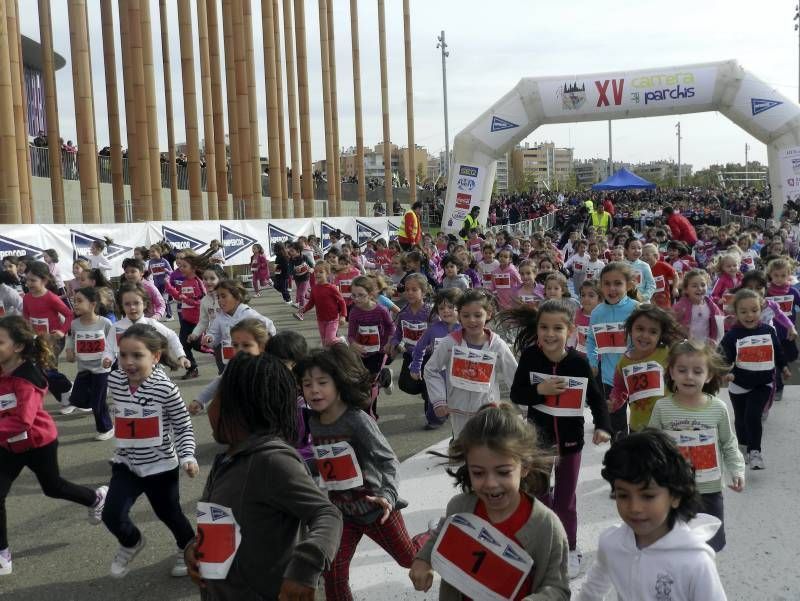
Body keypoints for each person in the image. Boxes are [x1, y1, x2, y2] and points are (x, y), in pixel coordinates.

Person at [184, 352, 342, 600]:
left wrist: (304, 570)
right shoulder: (226, 460)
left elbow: (327, 514)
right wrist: (194, 547)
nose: (211, 408)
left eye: (217, 399)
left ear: (242, 408)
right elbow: (217, 520)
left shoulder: (271, 461)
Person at [296, 344, 424, 601]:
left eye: (322, 382)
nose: (314, 390)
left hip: (377, 510)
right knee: (333, 577)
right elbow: (326, 461)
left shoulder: (357, 420)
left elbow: (388, 460)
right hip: (342, 514)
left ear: (339, 383)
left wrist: (388, 494)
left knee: (409, 558)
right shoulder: (314, 422)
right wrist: (296, 468)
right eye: (307, 384)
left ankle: (430, 539)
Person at [409, 404, 571, 600]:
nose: (490, 483)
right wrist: (423, 559)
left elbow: (558, 588)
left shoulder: (546, 527)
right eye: (478, 472)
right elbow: (442, 533)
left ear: (525, 467)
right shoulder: (460, 508)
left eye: (503, 472)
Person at [508, 300, 611, 578]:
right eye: (544, 327)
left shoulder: (578, 362)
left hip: (569, 443)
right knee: (539, 498)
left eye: (557, 328)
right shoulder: (530, 357)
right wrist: (539, 390)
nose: (550, 334)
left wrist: (603, 426)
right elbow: (517, 394)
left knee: (565, 501)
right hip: (538, 444)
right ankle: (544, 547)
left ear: (572, 331)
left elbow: (597, 399)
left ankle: (570, 548)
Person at [0, 316, 108, 577]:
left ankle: (96, 498)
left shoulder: (27, 379)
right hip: (7, 446)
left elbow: (22, 421)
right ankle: (3, 554)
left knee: (53, 488)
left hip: (38, 442)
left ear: (17, 347)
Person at [576, 430, 727, 601]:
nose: (635, 507)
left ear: (675, 496)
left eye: (648, 496)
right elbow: (591, 592)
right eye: (623, 495)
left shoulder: (695, 561)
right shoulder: (611, 543)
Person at [101, 324, 199, 578]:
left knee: (169, 513)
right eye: (123, 355)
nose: (128, 362)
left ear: (155, 357)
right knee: (111, 513)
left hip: (161, 466)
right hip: (126, 464)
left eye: (137, 355)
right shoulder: (115, 380)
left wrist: (187, 455)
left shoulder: (166, 389)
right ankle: (131, 541)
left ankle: (186, 549)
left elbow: (182, 425)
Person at [648, 340, 745, 552]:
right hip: (672, 490)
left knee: (709, 546)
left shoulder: (718, 408)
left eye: (697, 371)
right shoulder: (662, 407)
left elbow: (728, 442)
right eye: (682, 370)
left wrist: (737, 469)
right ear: (671, 372)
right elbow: (651, 444)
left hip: (709, 490)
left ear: (708, 375)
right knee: (672, 542)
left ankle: (702, 578)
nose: (689, 376)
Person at [424, 289, 518, 436]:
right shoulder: (449, 343)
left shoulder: (497, 345)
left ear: (489, 314)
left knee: (486, 449)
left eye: (477, 315)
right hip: (458, 411)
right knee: (464, 450)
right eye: (466, 315)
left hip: (488, 411)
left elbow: (514, 375)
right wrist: (439, 400)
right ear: (459, 316)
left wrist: (525, 406)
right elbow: (431, 370)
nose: (472, 320)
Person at [718, 289, 789, 470]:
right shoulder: (732, 335)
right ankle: (742, 446)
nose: (750, 315)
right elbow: (723, 357)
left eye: (754, 310)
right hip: (739, 384)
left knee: (753, 415)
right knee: (741, 420)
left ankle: (755, 451)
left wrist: (784, 367)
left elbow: (778, 351)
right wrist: (726, 372)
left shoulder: (768, 330)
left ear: (761, 309)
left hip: (763, 383)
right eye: (743, 311)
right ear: (736, 313)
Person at [584, 262, 640, 440]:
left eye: (618, 283)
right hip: (611, 379)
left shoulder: (637, 309)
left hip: (637, 376)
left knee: (640, 427)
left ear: (629, 285)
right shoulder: (597, 313)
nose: (612, 288)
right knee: (617, 429)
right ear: (600, 286)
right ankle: (621, 462)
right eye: (607, 283)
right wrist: (592, 362)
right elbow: (591, 340)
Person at [609, 305, 682, 433]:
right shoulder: (623, 362)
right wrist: (613, 402)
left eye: (653, 332)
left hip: (668, 424)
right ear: (630, 330)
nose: (645, 335)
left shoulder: (668, 353)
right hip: (638, 426)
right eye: (640, 329)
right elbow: (620, 389)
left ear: (660, 335)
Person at [64, 287, 117, 440]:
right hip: (83, 368)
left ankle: (106, 428)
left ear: (93, 304)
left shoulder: (105, 323)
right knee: (77, 400)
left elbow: (113, 343)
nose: (76, 304)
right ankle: (96, 398)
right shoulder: (75, 324)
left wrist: (110, 359)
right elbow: (71, 338)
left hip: (101, 369)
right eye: (74, 301)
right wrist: (69, 350)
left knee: (97, 403)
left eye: (80, 301)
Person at [672, 270, 725, 344]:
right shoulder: (680, 306)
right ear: (686, 289)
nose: (699, 288)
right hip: (687, 347)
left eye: (703, 285)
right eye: (694, 286)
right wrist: (681, 330)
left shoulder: (711, 305)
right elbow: (671, 323)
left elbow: (720, 320)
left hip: (705, 347)